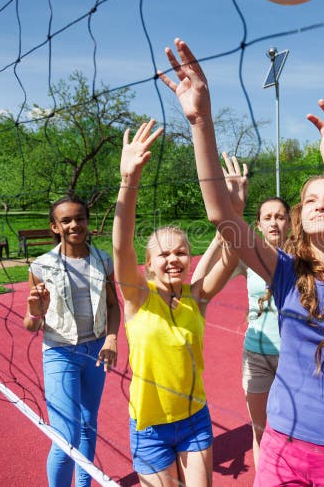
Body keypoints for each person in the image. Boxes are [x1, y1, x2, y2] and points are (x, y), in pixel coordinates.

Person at [158, 38, 324, 486]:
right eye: (310, 199)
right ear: (298, 216)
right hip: (281, 444)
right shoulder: (286, 271)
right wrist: (200, 121)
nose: (320, 204)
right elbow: (222, 217)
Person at [112, 119, 243, 487]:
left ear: (190, 259)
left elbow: (232, 257)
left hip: (194, 420)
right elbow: (121, 245)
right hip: (149, 426)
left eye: (181, 253)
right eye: (164, 254)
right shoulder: (137, 298)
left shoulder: (195, 296)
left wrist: (233, 213)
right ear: (148, 263)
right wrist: (129, 181)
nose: (173, 259)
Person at [24, 196, 121, 487]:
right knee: (66, 436)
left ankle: (84, 484)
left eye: (79, 218)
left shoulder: (103, 260)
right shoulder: (41, 266)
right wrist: (36, 310)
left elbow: (113, 305)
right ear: (55, 226)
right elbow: (30, 325)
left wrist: (112, 338)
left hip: (96, 350)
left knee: (89, 425)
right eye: (66, 220)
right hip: (60, 352)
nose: (74, 224)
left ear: (87, 221)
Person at [236, 190, 290, 469]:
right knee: (261, 432)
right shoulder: (247, 258)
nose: (273, 222)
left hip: (294, 357)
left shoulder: (303, 258)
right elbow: (204, 281)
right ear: (258, 225)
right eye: (267, 217)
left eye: (280, 217)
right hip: (255, 356)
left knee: (295, 432)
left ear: (290, 222)